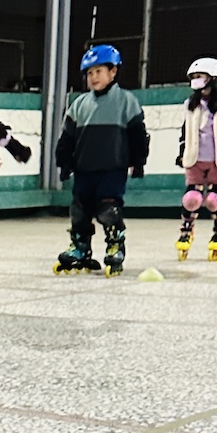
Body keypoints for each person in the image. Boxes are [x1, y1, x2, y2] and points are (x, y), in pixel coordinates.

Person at [54, 44, 149, 277]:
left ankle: (115, 246)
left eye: (98, 71)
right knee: (79, 210)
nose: (93, 77)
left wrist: (138, 161)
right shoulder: (80, 104)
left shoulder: (126, 101)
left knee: (108, 210)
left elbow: (138, 135)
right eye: (89, 73)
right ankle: (80, 248)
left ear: (113, 72)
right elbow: (67, 138)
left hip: (113, 168)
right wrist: (64, 162)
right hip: (84, 169)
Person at [174, 57, 217, 262]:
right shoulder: (191, 104)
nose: (195, 80)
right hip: (195, 158)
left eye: (199, 76)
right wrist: (181, 151)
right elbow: (185, 130)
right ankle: (186, 230)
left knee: (214, 199)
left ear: (212, 78)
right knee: (191, 198)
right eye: (193, 77)